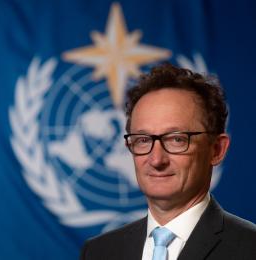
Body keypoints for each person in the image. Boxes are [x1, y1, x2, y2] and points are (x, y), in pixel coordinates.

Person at [80, 63, 256, 260]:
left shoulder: (250, 248)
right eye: (143, 140)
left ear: (216, 149)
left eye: (176, 139)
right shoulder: (98, 252)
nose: (156, 160)